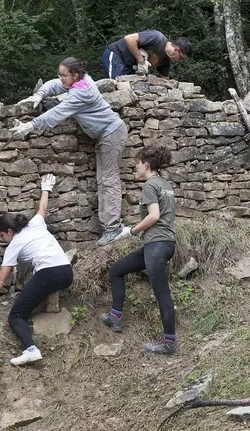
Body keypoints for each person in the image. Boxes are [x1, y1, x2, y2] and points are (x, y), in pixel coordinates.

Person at [10, 57, 128, 246]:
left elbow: (57, 114)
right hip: (105, 134)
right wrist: (39, 95)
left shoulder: (81, 92)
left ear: (75, 75)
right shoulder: (79, 80)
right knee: (103, 181)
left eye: (64, 75)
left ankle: (113, 229)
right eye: (60, 74)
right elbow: (54, 85)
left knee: (109, 181)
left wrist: (30, 126)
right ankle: (109, 228)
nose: (61, 78)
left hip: (112, 133)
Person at [0, 174, 74, 366]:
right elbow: (42, 208)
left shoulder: (14, 244)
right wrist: (46, 188)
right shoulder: (36, 223)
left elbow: (1, 278)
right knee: (38, 283)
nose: (2, 240)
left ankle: (31, 350)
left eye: (2, 235)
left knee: (16, 316)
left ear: (9, 231)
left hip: (48, 273)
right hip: (67, 272)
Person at [100, 145, 178, 355]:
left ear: (146, 164)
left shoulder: (150, 185)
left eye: (137, 163)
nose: (135, 167)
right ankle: (115, 317)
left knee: (162, 293)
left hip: (157, 245)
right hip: (163, 243)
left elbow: (154, 216)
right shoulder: (165, 184)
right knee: (116, 270)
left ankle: (169, 343)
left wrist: (131, 231)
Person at [101, 30, 192, 79]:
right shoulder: (157, 38)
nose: (180, 61)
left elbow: (165, 79)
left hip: (129, 67)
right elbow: (129, 39)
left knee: (127, 88)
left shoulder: (165, 61)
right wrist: (141, 61)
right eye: (181, 58)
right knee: (116, 84)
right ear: (176, 50)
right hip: (117, 54)